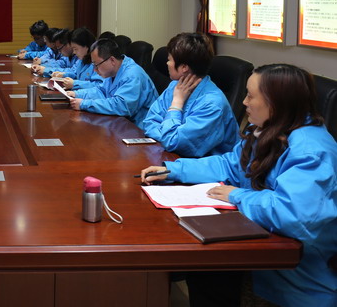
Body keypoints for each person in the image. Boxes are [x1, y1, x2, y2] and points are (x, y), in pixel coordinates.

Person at [141, 64, 337, 307]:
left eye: (251, 96)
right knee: (203, 270)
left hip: (295, 275)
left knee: (209, 273)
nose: (244, 102)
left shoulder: (311, 151)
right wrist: (175, 170)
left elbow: (294, 214)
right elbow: (231, 165)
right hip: (261, 245)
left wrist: (238, 196)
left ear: (276, 103)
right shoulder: (268, 129)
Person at [140, 33, 238, 157]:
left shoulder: (213, 104)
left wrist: (176, 103)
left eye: (170, 59)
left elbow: (174, 143)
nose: (167, 63)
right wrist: (167, 137)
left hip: (202, 166)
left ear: (184, 67)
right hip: (173, 156)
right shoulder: (175, 85)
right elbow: (149, 122)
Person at [68, 38, 157, 127]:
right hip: (121, 122)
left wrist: (84, 104)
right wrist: (76, 94)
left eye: (96, 65)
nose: (95, 70)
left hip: (140, 128)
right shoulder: (113, 71)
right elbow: (101, 91)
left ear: (112, 60)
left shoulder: (132, 75)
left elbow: (120, 106)